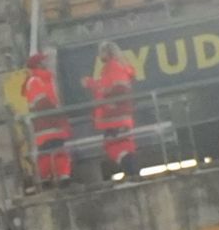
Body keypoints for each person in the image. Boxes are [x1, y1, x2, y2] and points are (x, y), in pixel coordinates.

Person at [84, 40, 137, 178]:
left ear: (107, 52)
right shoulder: (118, 67)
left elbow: (116, 89)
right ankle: (132, 175)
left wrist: (91, 84)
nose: (99, 55)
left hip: (113, 118)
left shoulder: (112, 67)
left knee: (113, 147)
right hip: (119, 117)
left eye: (101, 52)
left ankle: (132, 174)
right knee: (123, 147)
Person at [22, 49, 73, 183]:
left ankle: (61, 176)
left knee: (57, 151)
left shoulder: (45, 79)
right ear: (38, 64)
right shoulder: (35, 81)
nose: (47, 63)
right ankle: (47, 178)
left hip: (52, 124)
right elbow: (41, 102)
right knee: (47, 153)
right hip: (46, 124)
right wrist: (57, 111)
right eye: (44, 61)